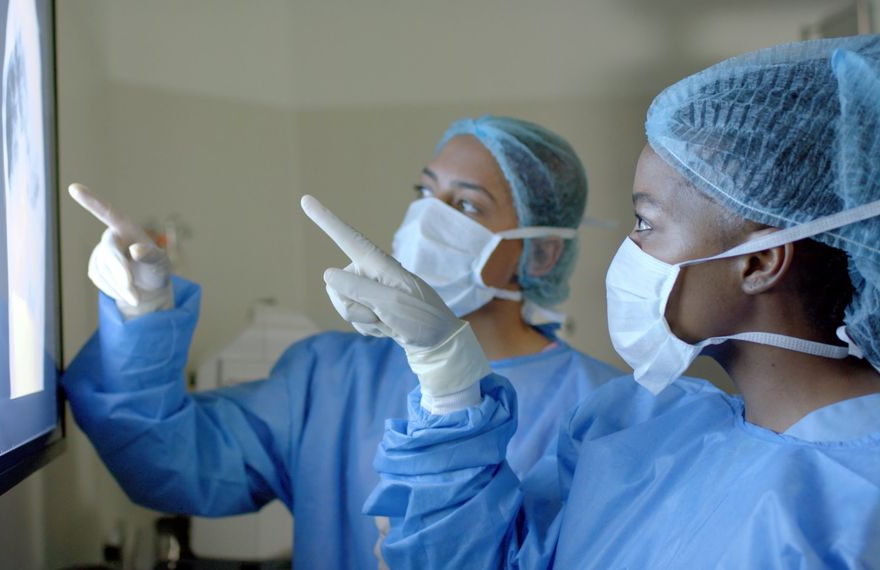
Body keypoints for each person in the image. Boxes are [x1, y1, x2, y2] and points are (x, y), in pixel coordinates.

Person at [310, 35, 880, 568]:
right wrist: (447, 377)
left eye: (646, 221)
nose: (629, 248)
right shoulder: (637, 432)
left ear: (758, 262)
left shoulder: (859, 509)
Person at [61, 117, 621, 569]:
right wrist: (143, 312)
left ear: (541, 253)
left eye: (466, 206)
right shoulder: (329, 375)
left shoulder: (603, 412)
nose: (427, 218)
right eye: (424, 191)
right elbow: (168, 462)